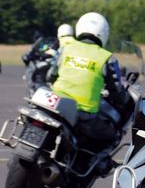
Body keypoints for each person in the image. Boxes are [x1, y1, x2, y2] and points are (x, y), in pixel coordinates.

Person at [51, 12, 133, 143]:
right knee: (111, 135)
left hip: (56, 103)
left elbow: (51, 75)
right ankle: (88, 162)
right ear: (104, 33)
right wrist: (126, 99)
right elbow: (116, 90)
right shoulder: (106, 57)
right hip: (84, 111)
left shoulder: (66, 48)